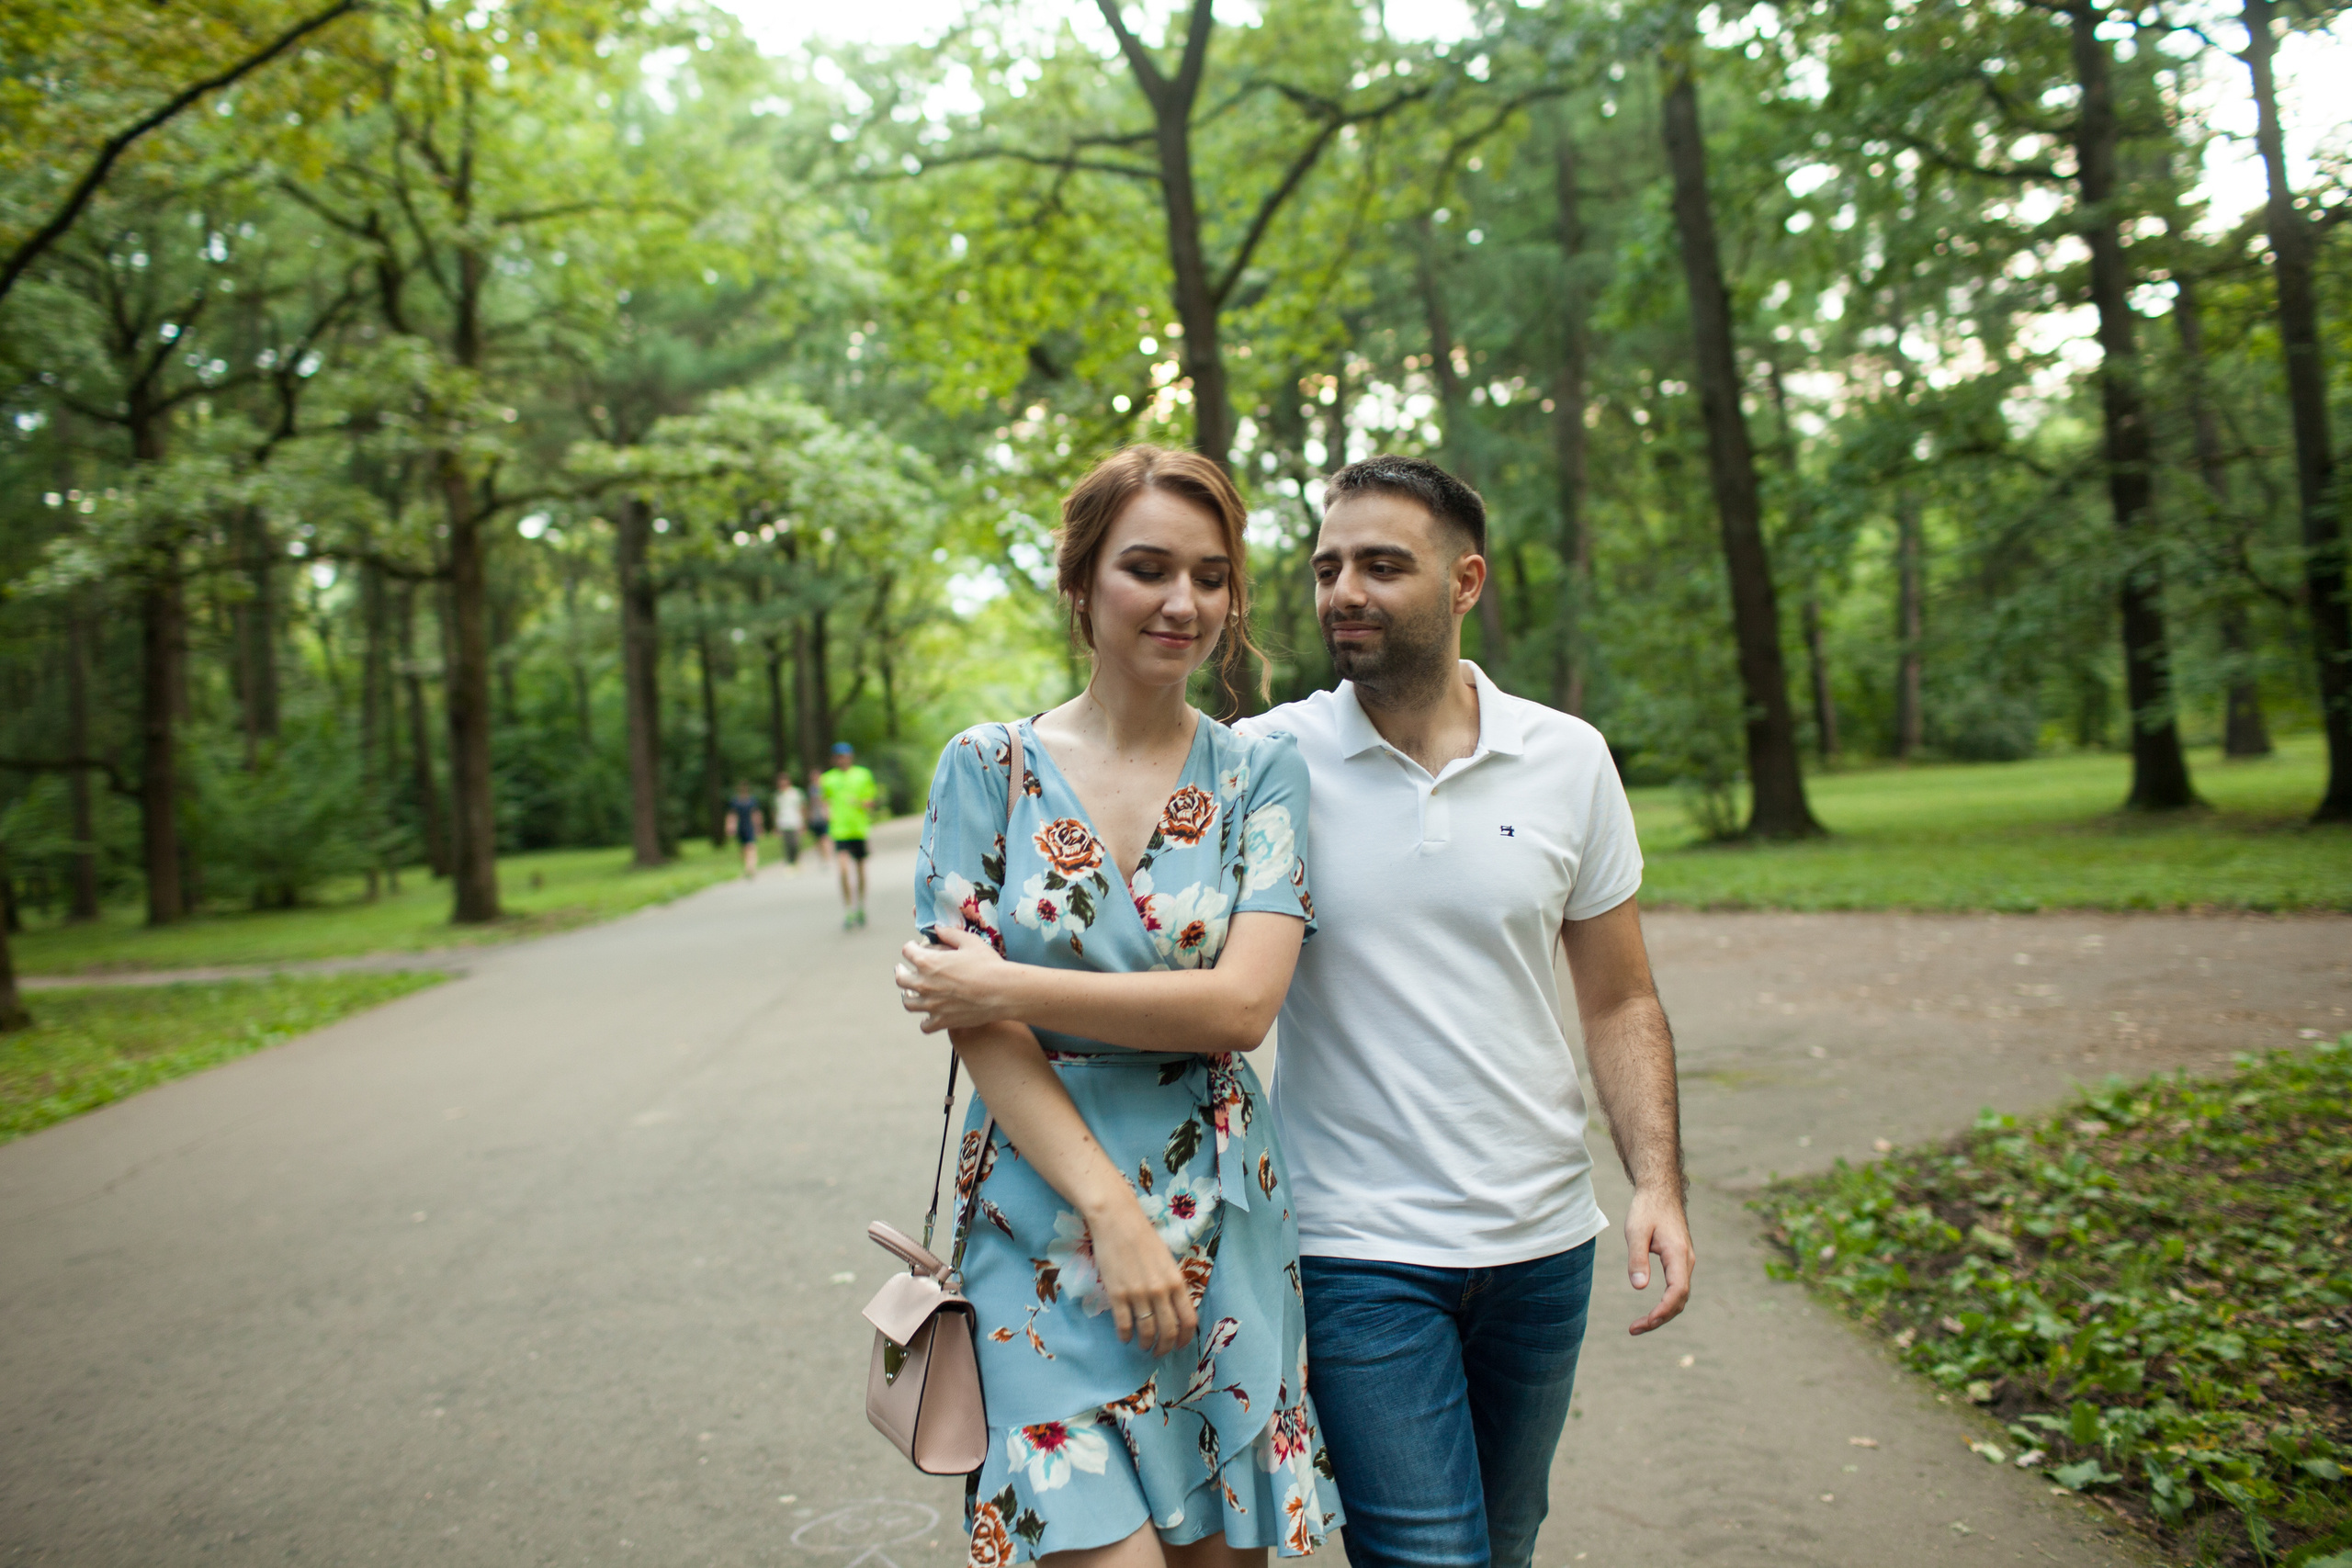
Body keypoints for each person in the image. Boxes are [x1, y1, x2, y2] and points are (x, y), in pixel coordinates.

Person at [1235, 455, 1693, 1568]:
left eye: (1382, 565)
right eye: (1327, 566)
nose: (1344, 590)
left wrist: (1657, 1183)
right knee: (1428, 1554)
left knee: (1506, 1539)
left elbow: (1622, 996)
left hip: (1540, 1244)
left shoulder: (1567, 758)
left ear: (1465, 582)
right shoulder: (1264, 760)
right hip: (1357, 1248)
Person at [892, 445, 1341, 1568]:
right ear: (1081, 583)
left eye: (1211, 575)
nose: (1182, 602)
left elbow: (1240, 1009)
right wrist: (1109, 1212)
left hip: (1221, 1220)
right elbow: (984, 1038)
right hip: (1039, 1221)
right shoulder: (984, 771)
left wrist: (1002, 982)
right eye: (1147, 568)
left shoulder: (1260, 775)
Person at [821, 741, 882, 929]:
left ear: (851, 756)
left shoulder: (863, 775)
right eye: (839, 756)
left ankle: (861, 906)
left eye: (845, 755)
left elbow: (871, 801)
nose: (842, 759)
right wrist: (826, 814)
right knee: (843, 870)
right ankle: (848, 909)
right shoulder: (827, 779)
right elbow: (825, 801)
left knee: (861, 870)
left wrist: (861, 803)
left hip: (859, 829)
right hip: (839, 831)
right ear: (834, 759)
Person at [722, 781, 763, 880]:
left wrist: (759, 826)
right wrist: (730, 827)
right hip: (740, 827)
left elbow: (756, 814)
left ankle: (751, 867)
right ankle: (747, 866)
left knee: (751, 847)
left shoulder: (752, 801)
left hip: (750, 826)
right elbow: (732, 815)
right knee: (743, 849)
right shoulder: (735, 801)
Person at [775, 771, 808, 871]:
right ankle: (789, 864)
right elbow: (776, 811)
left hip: (795, 821)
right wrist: (776, 826)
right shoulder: (778, 796)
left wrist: (803, 822)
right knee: (786, 845)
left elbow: (802, 807)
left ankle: (797, 861)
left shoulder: (796, 793)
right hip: (783, 823)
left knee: (795, 843)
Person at [806, 767, 833, 863]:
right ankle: (823, 856)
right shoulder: (811, 789)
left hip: (823, 815)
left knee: (825, 837)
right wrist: (809, 815)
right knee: (817, 839)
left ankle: (828, 857)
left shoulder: (825, 787)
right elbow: (810, 803)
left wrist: (828, 812)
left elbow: (827, 801)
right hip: (815, 816)